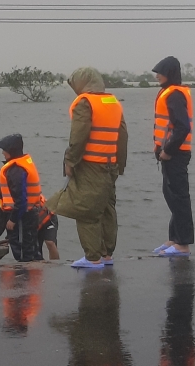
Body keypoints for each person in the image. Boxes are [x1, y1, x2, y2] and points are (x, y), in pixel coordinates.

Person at [48, 67, 128, 269]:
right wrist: (120, 165)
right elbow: (123, 136)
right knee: (107, 209)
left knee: (86, 210)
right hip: (110, 166)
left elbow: (78, 136)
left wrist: (70, 161)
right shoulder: (113, 102)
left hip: (90, 166)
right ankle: (106, 254)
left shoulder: (85, 103)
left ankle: (92, 258)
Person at [152, 56, 194, 257]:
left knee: (179, 197)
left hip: (175, 154)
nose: (157, 76)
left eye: (160, 72)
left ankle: (183, 244)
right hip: (169, 154)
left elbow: (182, 127)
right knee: (172, 196)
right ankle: (174, 239)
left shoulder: (175, 95)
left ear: (169, 73)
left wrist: (168, 150)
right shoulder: (170, 93)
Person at [0, 169, 60, 260]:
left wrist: (11, 236)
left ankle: (56, 267)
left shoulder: (18, 193)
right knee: (35, 253)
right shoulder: (1, 200)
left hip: (47, 219)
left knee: (50, 242)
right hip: (32, 227)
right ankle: (41, 271)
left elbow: (20, 216)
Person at [0, 134, 45, 262]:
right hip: (29, 214)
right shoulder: (23, 164)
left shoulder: (16, 170)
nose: (2, 153)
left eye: (4, 150)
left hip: (23, 217)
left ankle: (24, 279)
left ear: (11, 151)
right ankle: (33, 278)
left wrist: (13, 219)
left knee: (23, 251)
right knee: (31, 248)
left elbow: (21, 199)